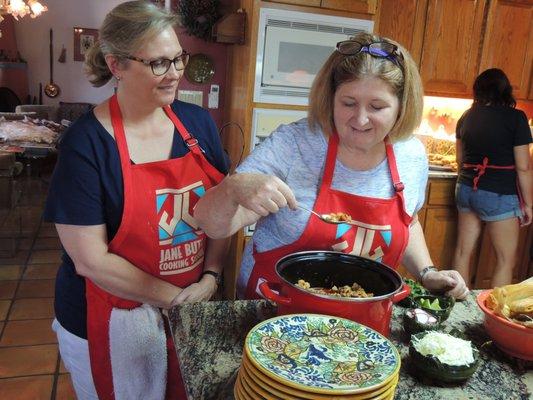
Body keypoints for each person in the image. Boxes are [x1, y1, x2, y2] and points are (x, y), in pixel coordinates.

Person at [194, 32, 469, 302]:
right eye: (348, 103)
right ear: (331, 98)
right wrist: (232, 189)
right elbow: (211, 224)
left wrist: (427, 271)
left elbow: (409, 221)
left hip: (360, 317)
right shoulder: (293, 145)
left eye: (377, 107)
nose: (360, 120)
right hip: (274, 310)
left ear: (401, 107)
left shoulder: (411, 154)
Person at [43, 2, 229, 399]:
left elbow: (222, 210)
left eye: (179, 57)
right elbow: (90, 260)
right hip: (107, 319)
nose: (176, 72)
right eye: (159, 63)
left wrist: (211, 275)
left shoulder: (197, 124)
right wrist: (178, 300)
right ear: (117, 66)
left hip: (188, 309)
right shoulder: (86, 145)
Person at [453, 68, 532, 287]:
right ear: (505, 91)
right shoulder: (516, 118)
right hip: (499, 194)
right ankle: (497, 317)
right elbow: (524, 166)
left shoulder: (466, 117)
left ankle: (458, 307)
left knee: (462, 251)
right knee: (506, 260)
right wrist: (529, 205)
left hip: (467, 189)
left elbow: (460, 159)